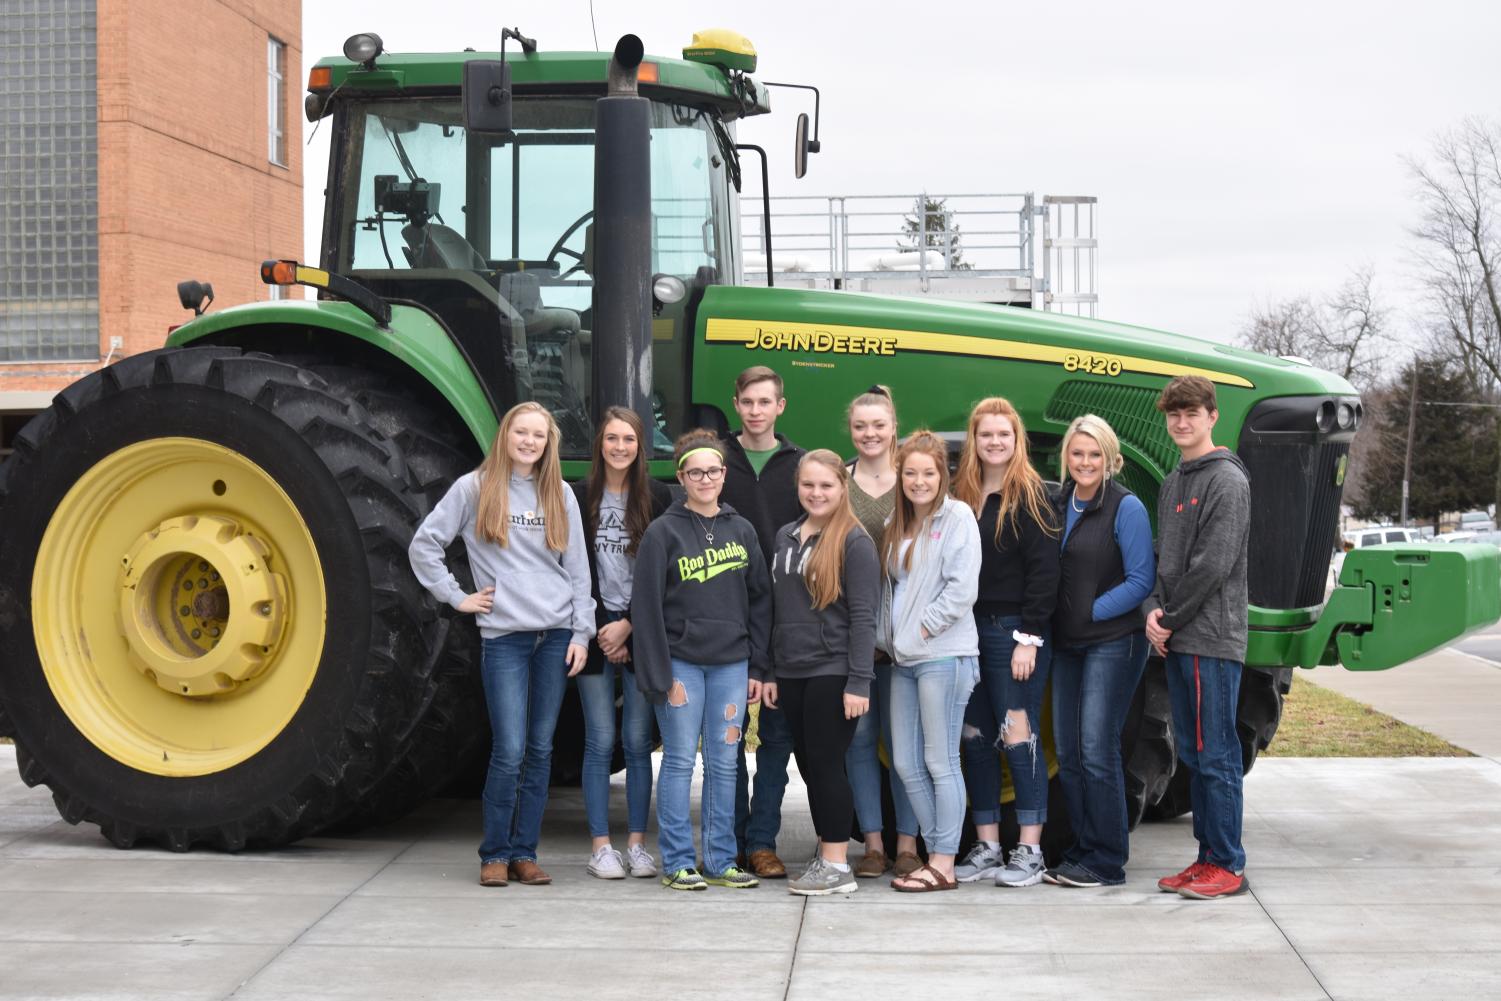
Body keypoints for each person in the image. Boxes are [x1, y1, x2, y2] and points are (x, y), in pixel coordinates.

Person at [408, 401, 594, 889]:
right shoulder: (474, 487)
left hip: (555, 636)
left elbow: (577, 570)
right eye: (521, 433)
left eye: (538, 435)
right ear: (505, 436)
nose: (529, 442)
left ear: (548, 442)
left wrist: (581, 632)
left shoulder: (560, 494)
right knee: (509, 749)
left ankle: (523, 854)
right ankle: (494, 853)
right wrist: (457, 597)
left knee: (540, 749)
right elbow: (424, 545)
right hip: (505, 638)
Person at [631, 430, 772, 891]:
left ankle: (719, 859)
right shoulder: (662, 532)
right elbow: (646, 607)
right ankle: (676, 861)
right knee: (676, 761)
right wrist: (656, 671)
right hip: (681, 665)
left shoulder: (742, 529)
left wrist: (757, 666)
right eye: (696, 472)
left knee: (724, 760)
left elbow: (760, 602)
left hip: (731, 663)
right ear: (682, 476)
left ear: (724, 474)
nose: (705, 478)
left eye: (713, 471)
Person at [1144, 376, 1252, 899]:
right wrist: (1153, 613)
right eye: (1174, 414)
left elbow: (1214, 563)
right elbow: (1165, 558)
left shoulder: (1227, 481)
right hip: (1179, 636)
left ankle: (1227, 863)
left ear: (1212, 416)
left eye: (1192, 413)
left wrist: (1169, 619)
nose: (1181, 423)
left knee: (1217, 754)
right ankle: (1206, 857)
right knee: (1193, 751)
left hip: (1210, 639)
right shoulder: (1174, 481)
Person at [951, 398, 1061, 887]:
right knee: (974, 740)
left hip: (1013, 632)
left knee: (1018, 737)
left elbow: (1045, 573)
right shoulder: (961, 495)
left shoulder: (1031, 496)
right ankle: (989, 846)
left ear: (1018, 441)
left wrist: (1029, 639)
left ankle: (1031, 851)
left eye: (1004, 434)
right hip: (966, 633)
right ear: (973, 441)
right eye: (985, 434)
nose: (994, 442)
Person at [1047, 414, 1156, 888]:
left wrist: (1089, 611)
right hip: (1067, 645)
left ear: (1110, 459)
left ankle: (1107, 859)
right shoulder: (1056, 501)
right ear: (1066, 457)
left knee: (1097, 749)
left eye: (1094, 454)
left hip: (1114, 642)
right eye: (1077, 453)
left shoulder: (1126, 507)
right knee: (1069, 753)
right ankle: (1080, 849)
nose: (1085, 462)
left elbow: (1141, 580)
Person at [768, 450, 880, 896]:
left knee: (828, 764)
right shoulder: (785, 535)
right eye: (808, 485)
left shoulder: (855, 541)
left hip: (832, 670)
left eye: (826, 486)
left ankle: (836, 865)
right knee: (811, 766)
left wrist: (858, 681)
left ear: (842, 488)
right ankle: (827, 849)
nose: (817, 493)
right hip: (792, 670)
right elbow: (779, 609)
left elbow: (864, 618)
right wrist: (773, 670)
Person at [571, 406, 672, 880]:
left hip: (641, 628)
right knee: (600, 739)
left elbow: (666, 576)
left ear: (640, 446)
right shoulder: (578, 497)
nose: (619, 447)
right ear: (600, 444)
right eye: (611, 438)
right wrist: (600, 627)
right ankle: (600, 847)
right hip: (592, 627)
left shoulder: (659, 498)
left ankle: (636, 844)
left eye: (628, 439)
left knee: (636, 740)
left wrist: (629, 625)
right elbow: (568, 568)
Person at [878, 430, 982, 892]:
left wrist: (920, 629)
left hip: (944, 655)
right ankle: (939, 852)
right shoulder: (895, 525)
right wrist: (892, 638)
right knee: (905, 762)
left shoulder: (957, 516)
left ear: (943, 475)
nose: (919, 481)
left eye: (929, 472)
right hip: (903, 660)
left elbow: (962, 589)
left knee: (941, 761)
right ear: (900, 475)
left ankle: (943, 861)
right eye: (910, 473)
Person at [719, 365, 805, 880]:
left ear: (780, 406)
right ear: (737, 403)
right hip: (725, 619)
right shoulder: (716, 461)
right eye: (748, 401)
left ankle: (762, 842)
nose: (756, 410)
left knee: (776, 742)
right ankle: (728, 839)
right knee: (727, 740)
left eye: (765, 402)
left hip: (787, 620)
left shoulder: (797, 465)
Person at [843, 386, 922, 879]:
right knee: (860, 742)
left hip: (907, 635)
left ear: (894, 427)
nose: (869, 434)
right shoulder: (839, 481)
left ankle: (908, 844)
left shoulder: (913, 480)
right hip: (855, 633)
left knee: (904, 744)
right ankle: (872, 844)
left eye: (878, 425)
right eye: (859, 427)